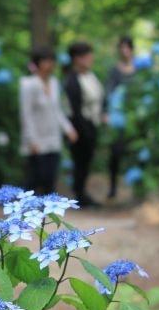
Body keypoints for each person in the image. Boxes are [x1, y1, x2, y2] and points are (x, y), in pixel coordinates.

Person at [19, 46, 78, 194]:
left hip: (53, 138)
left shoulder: (54, 82)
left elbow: (56, 109)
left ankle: (48, 212)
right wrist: (31, 140)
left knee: (50, 178)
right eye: (46, 61)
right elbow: (26, 113)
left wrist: (68, 128)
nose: (50, 65)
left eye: (52, 61)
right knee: (35, 177)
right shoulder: (28, 84)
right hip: (36, 138)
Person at [64, 42, 104, 207]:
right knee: (80, 161)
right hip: (80, 127)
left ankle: (81, 192)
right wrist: (83, 131)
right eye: (86, 56)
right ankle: (79, 194)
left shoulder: (91, 76)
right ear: (76, 59)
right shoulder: (72, 80)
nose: (90, 59)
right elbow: (75, 110)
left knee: (86, 161)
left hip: (92, 124)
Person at [105, 36, 136, 199]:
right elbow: (108, 92)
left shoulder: (139, 69)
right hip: (118, 118)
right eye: (122, 47)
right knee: (115, 153)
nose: (124, 51)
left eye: (127, 47)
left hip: (135, 117)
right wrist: (107, 114)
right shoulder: (114, 70)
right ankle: (113, 188)